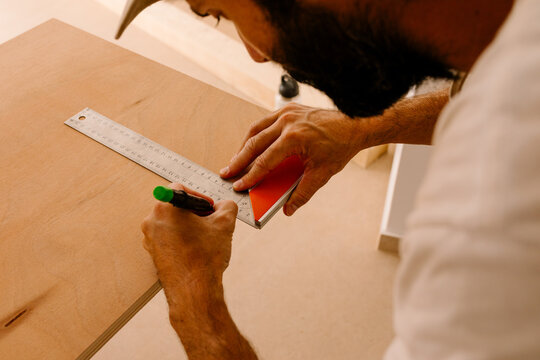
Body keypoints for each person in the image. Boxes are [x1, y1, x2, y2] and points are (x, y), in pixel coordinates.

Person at [133, 0, 540, 358]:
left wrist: (193, 294)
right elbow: (475, 89)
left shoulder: (500, 190)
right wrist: (366, 126)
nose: (254, 55)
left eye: (223, 12)